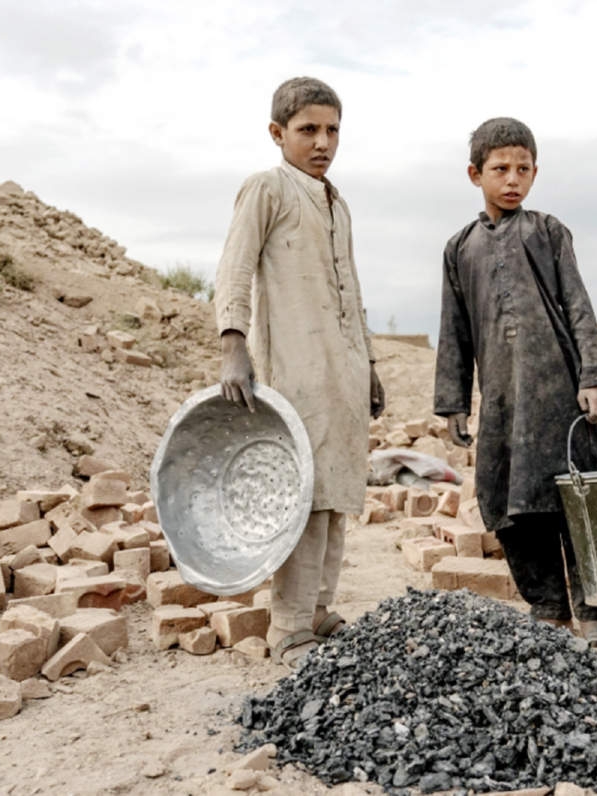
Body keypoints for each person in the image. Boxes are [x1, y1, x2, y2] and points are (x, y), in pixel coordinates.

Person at [433, 117, 597, 654]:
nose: (512, 179)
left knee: (579, 501)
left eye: (523, 169)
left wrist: (593, 377)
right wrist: (453, 403)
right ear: (475, 174)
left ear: (535, 172)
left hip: (561, 394)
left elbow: (579, 306)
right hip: (501, 401)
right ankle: (547, 608)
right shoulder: (459, 248)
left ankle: (595, 615)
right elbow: (454, 330)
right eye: (500, 169)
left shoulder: (548, 232)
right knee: (511, 505)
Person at [214, 76, 384, 669]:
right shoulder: (267, 188)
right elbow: (234, 268)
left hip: (342, 369)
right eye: (308, 129)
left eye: (332, 130)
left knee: (336, 491)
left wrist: (369, 365)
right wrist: (233, 344)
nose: (322, 142)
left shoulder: (337, 202)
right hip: (294, 368)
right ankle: (288, 626)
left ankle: (318, 609)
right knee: (303, 494)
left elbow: (352, 289)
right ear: (277, 132)